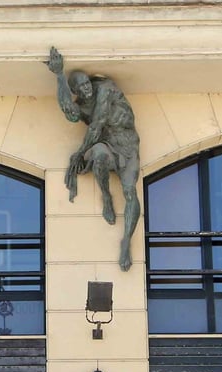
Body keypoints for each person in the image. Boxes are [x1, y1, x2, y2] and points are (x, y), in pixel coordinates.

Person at [46, 47, 142, 271]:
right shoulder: (81, 103)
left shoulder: (105, 89)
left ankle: (126, 240)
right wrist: (59, 75)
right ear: (75, 91)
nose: (86, 90)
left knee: (129, 191)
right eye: (80, 89)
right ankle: (106, 196)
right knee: (98, 154)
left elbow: (97, 125)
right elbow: (69, 112)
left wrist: (79, 153)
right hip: (107, 144)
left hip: (127, 144)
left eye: (87, 84)